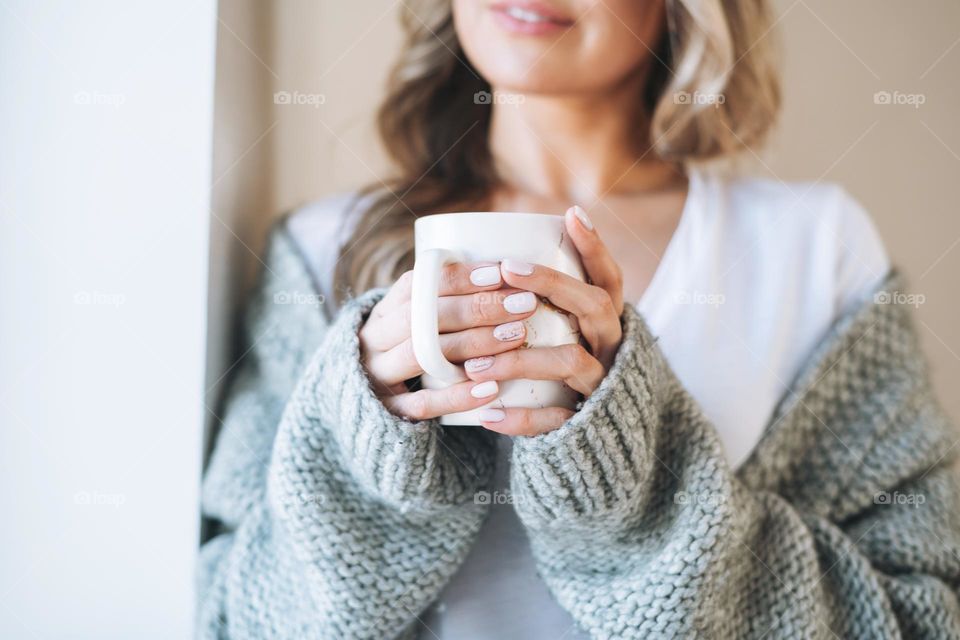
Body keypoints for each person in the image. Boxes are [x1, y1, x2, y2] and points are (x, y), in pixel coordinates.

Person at [197, 1, 960, 638]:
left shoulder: (811, 250)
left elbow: (917, 616)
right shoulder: (319, 254)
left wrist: (636, 485)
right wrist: (365, 459)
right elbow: (229, 617)